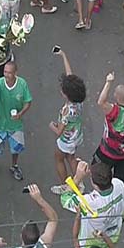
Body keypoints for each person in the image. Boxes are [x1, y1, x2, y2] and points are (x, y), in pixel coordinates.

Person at [0, 60, 34, 180]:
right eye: (5, 72)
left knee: (16, 149)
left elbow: (28, 102)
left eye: (9, 72)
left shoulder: (22, 84)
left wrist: (20, 114)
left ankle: (14, 166)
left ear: (15, 73)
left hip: (15, 125)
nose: (6, 75)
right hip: (0, 124)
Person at [49, 48, 87, 183]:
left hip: (66, 140)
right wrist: (63, 55)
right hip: (76, 136)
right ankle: (79, 181)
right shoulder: (79, 101)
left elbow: (59, 131)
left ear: (67, 94)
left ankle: (68, 184)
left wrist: (52, 126)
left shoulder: (67, 111)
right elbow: (70, 75)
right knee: (71, 157)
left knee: (59, 158)